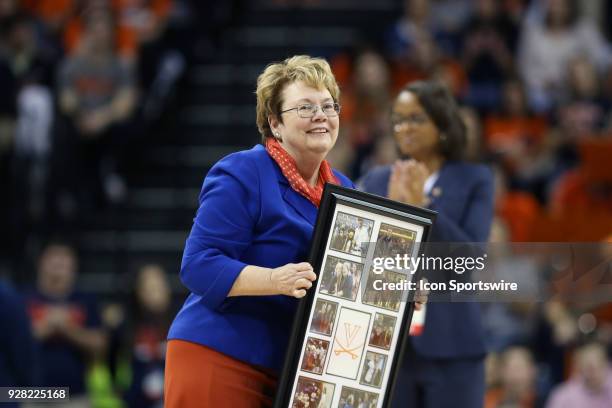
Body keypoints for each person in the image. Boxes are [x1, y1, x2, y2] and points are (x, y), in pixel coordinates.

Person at [163, 55, 354, 407]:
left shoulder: (346, 191)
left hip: (292, 374)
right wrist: (273, 281)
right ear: (274, 123)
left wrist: (397, 293)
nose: (321, 115)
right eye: (304, 107)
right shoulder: (244, 171)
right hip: (220, 354)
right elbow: (198, 265)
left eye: (328, 105)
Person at [358, 80, 494, 407]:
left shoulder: (475, 178)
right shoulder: (376, 180)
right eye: (399, 119)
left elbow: (468, 261)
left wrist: (424, 208)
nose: (405, 127)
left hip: (453, 348)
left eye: (416, 118)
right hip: (387, 345)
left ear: (443, 125)